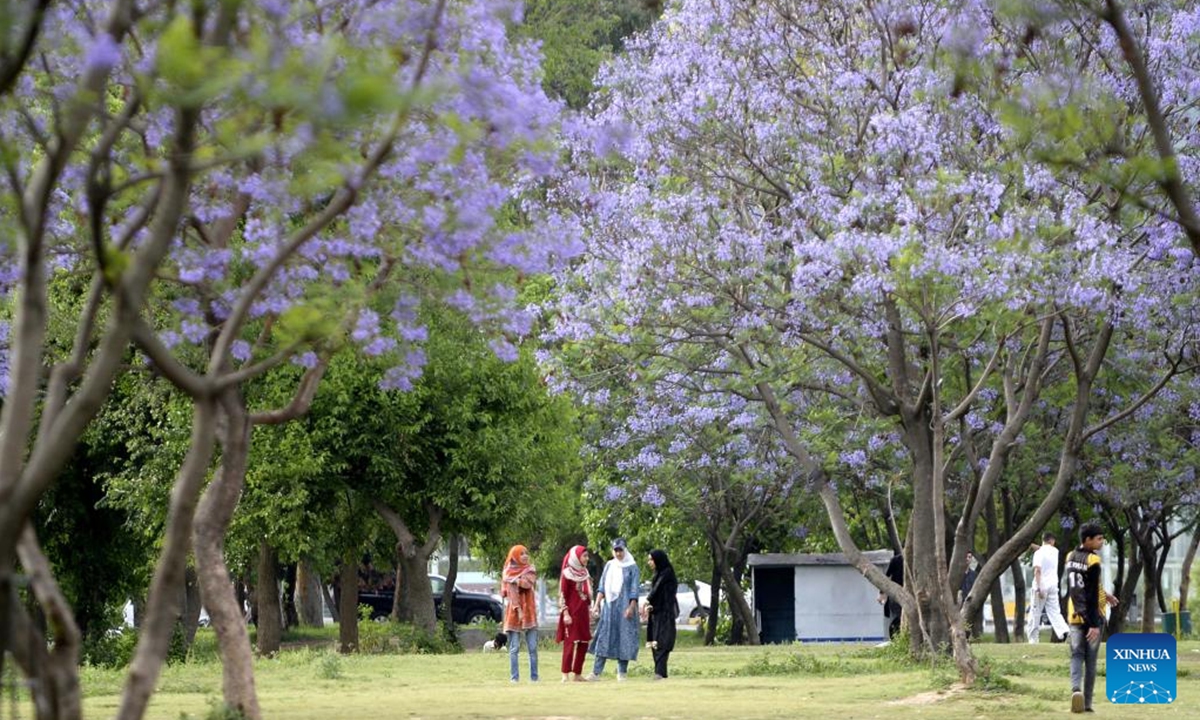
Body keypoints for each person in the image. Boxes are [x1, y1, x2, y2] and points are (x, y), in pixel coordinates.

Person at [1066, 522, 1119, 714]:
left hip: (1074, 615)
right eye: (1098, 538)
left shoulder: (1070, 557)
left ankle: (1075, 691)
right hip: (1092, 616)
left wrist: (1106, 594)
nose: (1102, 541)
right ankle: (1086, 703)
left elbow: (1082, 586)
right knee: (1091, 660)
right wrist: (1094, 624)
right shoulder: (1093, 560)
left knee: (1076, 654)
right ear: (1087, 540)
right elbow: (1089, 594)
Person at [586, 538, 640, 681]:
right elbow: (602, 587)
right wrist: (597, 604)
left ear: (625, 550)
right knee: (604, 637)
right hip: (609, 608)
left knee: (624, 638)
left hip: (625, 607)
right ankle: (596, 672)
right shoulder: (609, 565)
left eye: (620, 550)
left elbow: (634, 590)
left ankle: (622, 672)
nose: (618, 553)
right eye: (615, 550)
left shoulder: (632, 567)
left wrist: (631, 607)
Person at [501, 544, 539, 682]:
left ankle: (534, 678)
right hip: (513, 613)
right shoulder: (508, 572)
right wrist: (518, 609)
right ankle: (514, 678)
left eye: (526, 553)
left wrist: (516, 580)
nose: (525, 556)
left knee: (533, 648)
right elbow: (507, 591)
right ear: (515, 556)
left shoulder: (530, 569)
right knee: (514, 648)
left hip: (529, 611)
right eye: (521, 554)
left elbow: (528, 583)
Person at [556, 545, 593, 682]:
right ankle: (565, 673)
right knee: (570, 643)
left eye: (587, 556)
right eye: (584, 556)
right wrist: (565, 613)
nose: (587, 559)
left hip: (583, 613)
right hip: (571, 613)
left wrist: (591, 610)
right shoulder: (567, 573)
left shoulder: (585, 573)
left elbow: (588, 594)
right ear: (576, 557)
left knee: (583, 643)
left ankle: (577, 673)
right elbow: (562, 595)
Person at [1027, 533, 1070, 643]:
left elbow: (1037, 570)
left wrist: (1039, 587)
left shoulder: (1038, 553)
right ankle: (1064, 631)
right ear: (1052, 541)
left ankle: (1033, 639)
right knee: (1055, 611)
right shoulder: (1055, 551)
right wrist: (1033, 545)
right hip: (1053, 586)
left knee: (1035, 612)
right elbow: (1044, 549)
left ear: (1043, 540)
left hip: (1041, 586)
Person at [642, 549, 678, 680]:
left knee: (662, 642)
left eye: (651, 559)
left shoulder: (667, 573)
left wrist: (647, 600)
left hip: (665, 613)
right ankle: (660, 673)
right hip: (656, 612)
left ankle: (659, 673)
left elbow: (657, 588)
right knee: (654, 642)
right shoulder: (658, 573)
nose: (649, 562)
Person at [877, 550, 903, 639]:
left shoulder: (897, 560)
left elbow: (886, 578)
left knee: (897, 617)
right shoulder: (896, 560)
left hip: (901, 593)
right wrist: (882, 593)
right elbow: (887, 577)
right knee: (897, 617)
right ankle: (896, 638)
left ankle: (897, 637)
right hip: (896, 594)